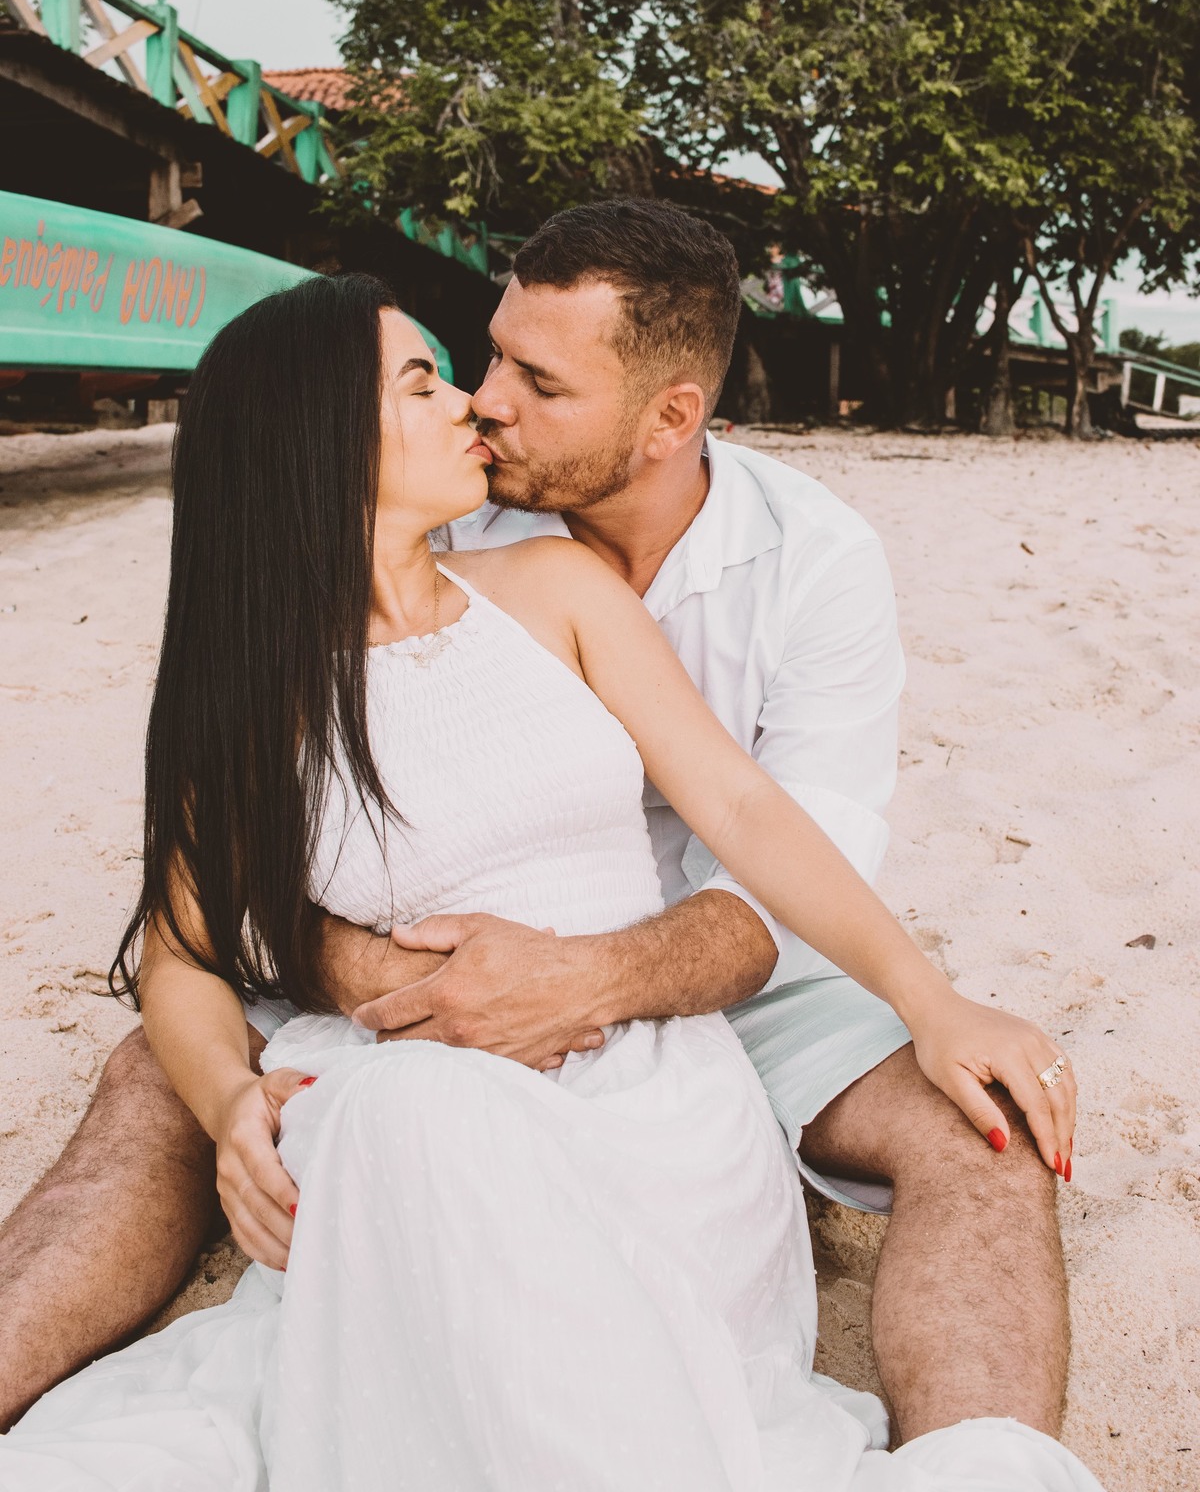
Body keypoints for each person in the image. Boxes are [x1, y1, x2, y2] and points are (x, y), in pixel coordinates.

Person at [0, 274, 1100, 1490]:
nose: (471, 403)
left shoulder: (558, 590)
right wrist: (228, 1109)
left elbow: (746, 810)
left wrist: (930, 1000)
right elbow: (184, 945)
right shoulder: (254, 690)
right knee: (411, 1116)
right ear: (316, 438)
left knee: (428, 1123)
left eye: (485, 377)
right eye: (424, 381)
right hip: (402, 1082)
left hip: (648, 1094)